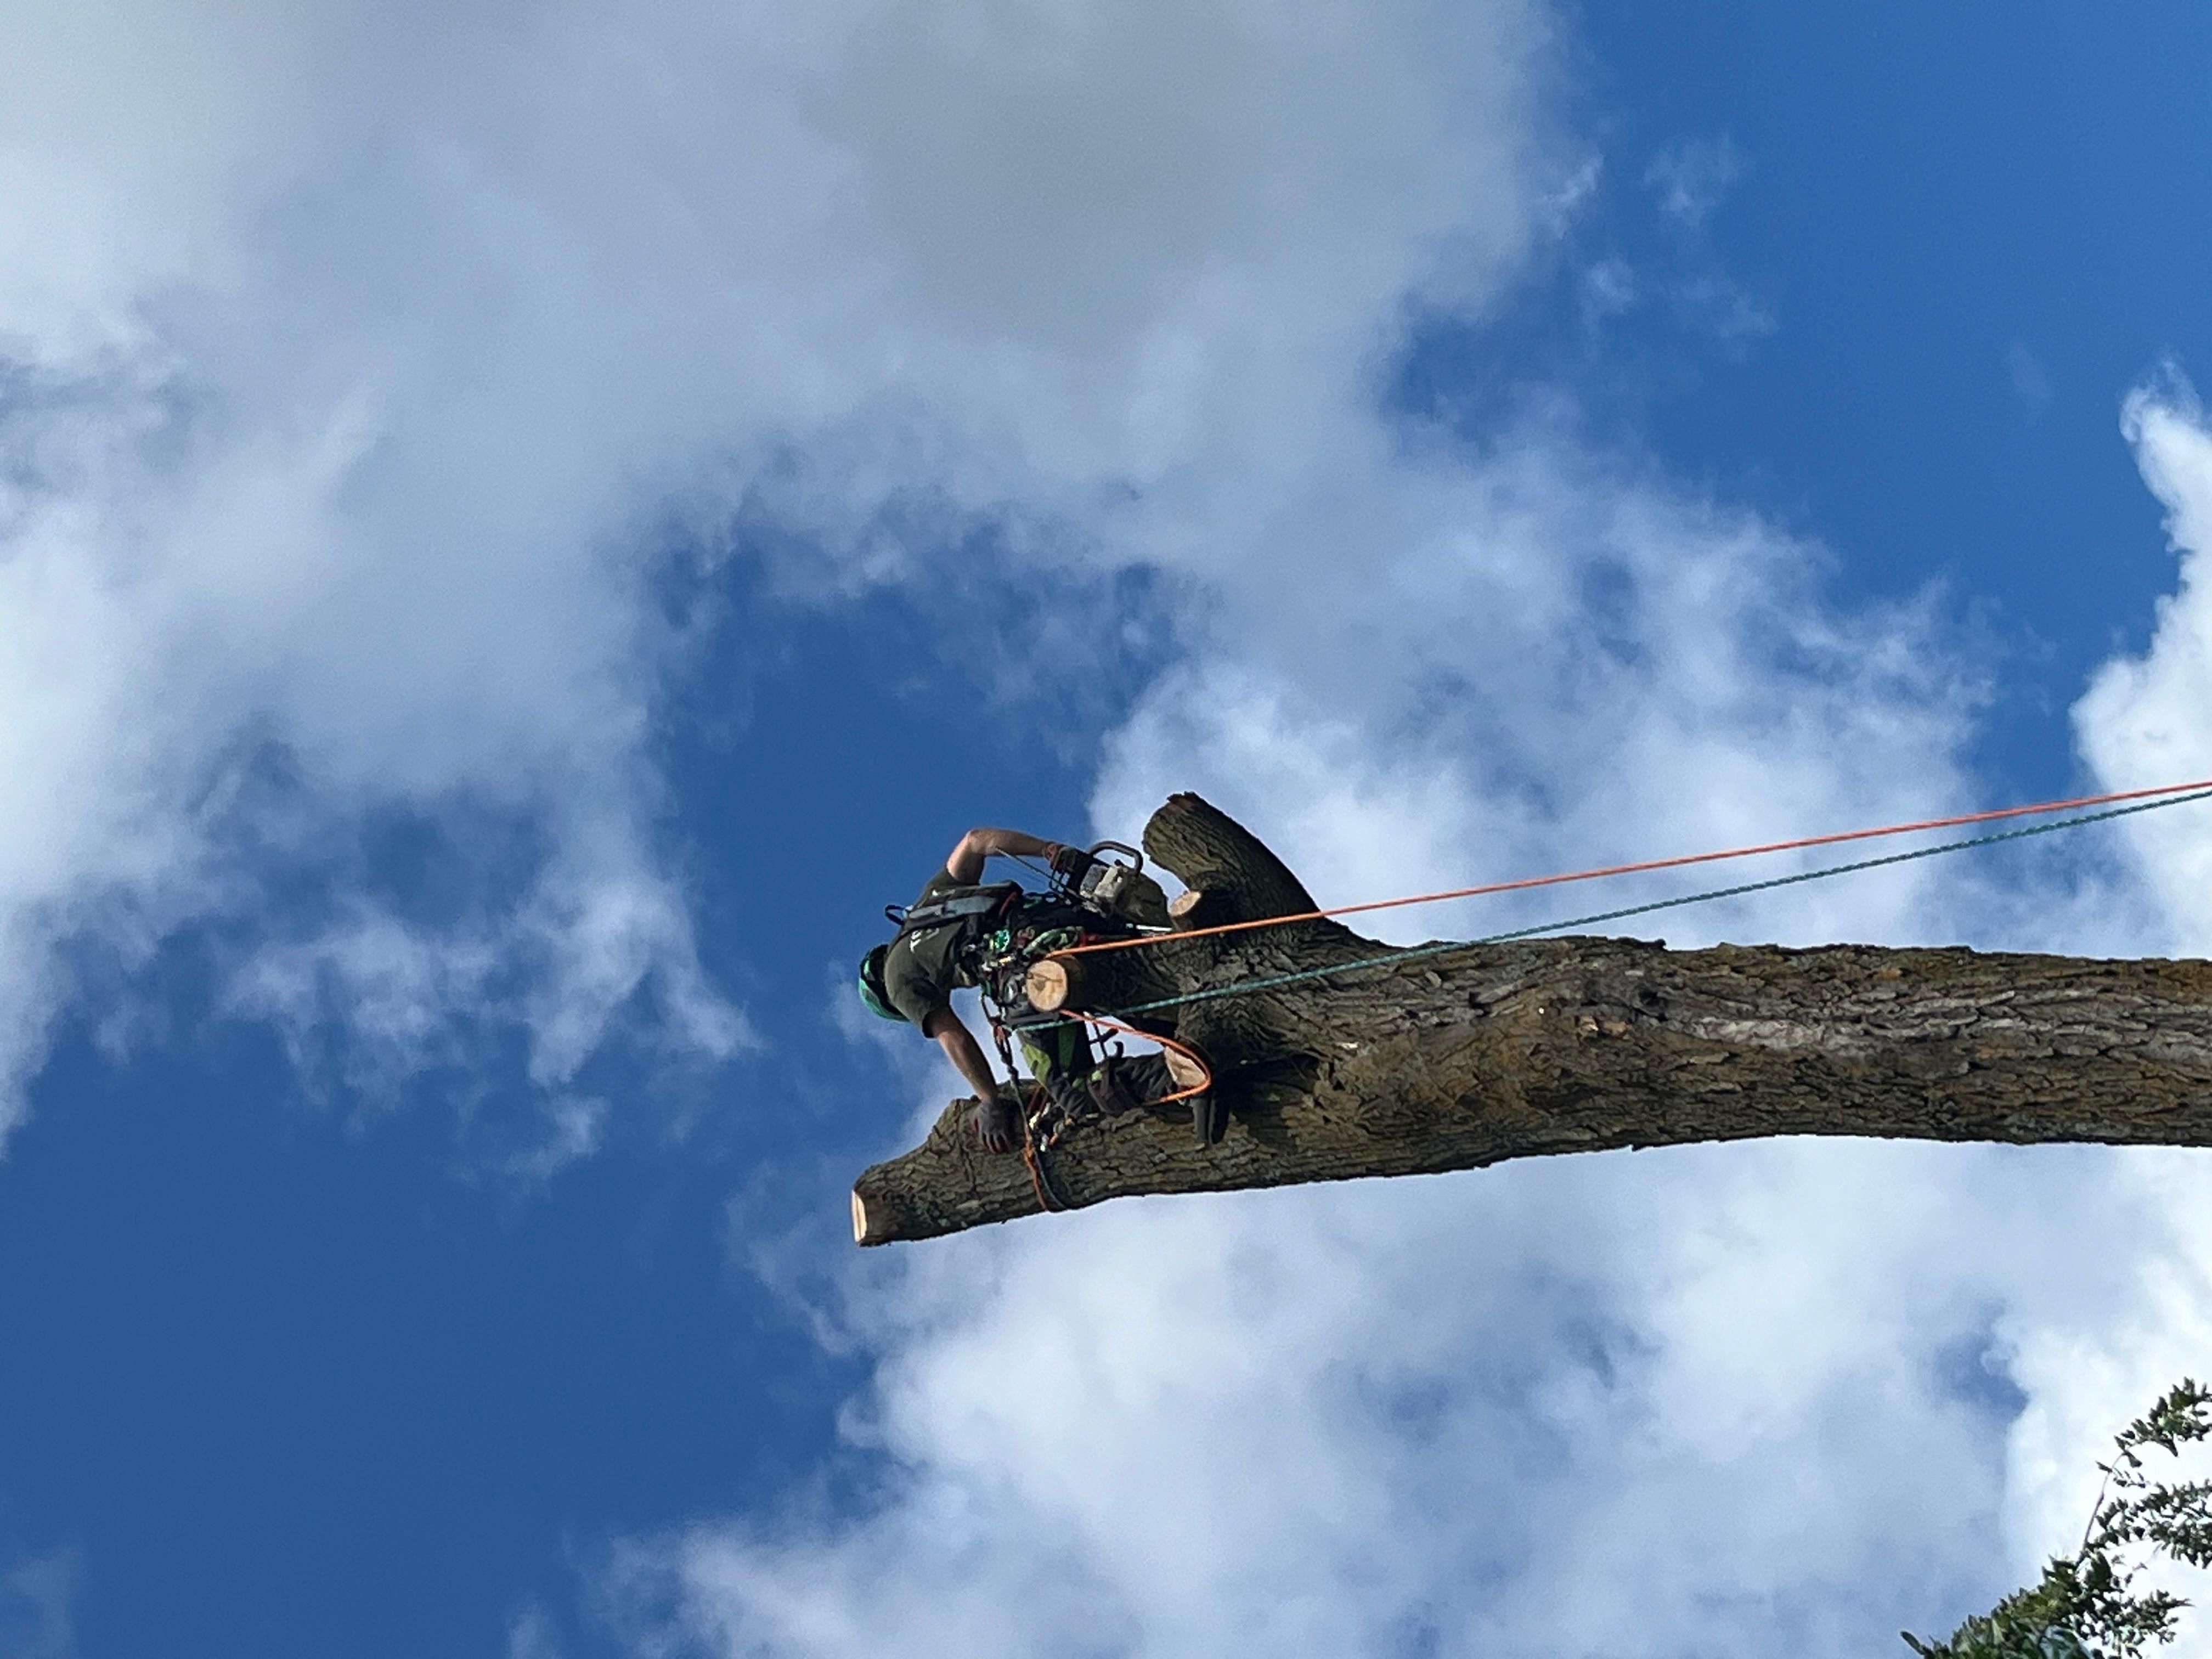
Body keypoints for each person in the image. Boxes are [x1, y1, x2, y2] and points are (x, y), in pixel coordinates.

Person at [856, 826, 1170, 1152]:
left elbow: (955, 1039)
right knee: (1158, 1008)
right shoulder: (930, 901)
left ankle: (1179, 1076)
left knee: (1074, 1091)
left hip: (1030, 974)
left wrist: (989, 1101)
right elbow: (975, 840)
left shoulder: (896, 982)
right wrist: (1049, 849)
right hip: (1067, 920)